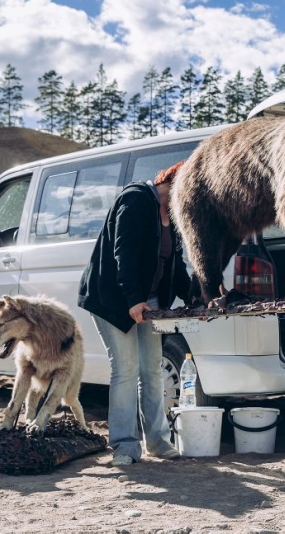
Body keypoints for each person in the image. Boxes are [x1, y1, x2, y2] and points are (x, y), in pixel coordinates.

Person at [78, 161, 191, 467]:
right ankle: (125, 446)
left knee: (152, 371)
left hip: (148, 302)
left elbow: (175, 265)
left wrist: (198, 298)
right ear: (175, 182)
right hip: (114, 300)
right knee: (125, 370)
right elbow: (122, 252)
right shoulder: (136, 199)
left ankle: (158, 442)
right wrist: (133, 299)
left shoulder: (174, 216)